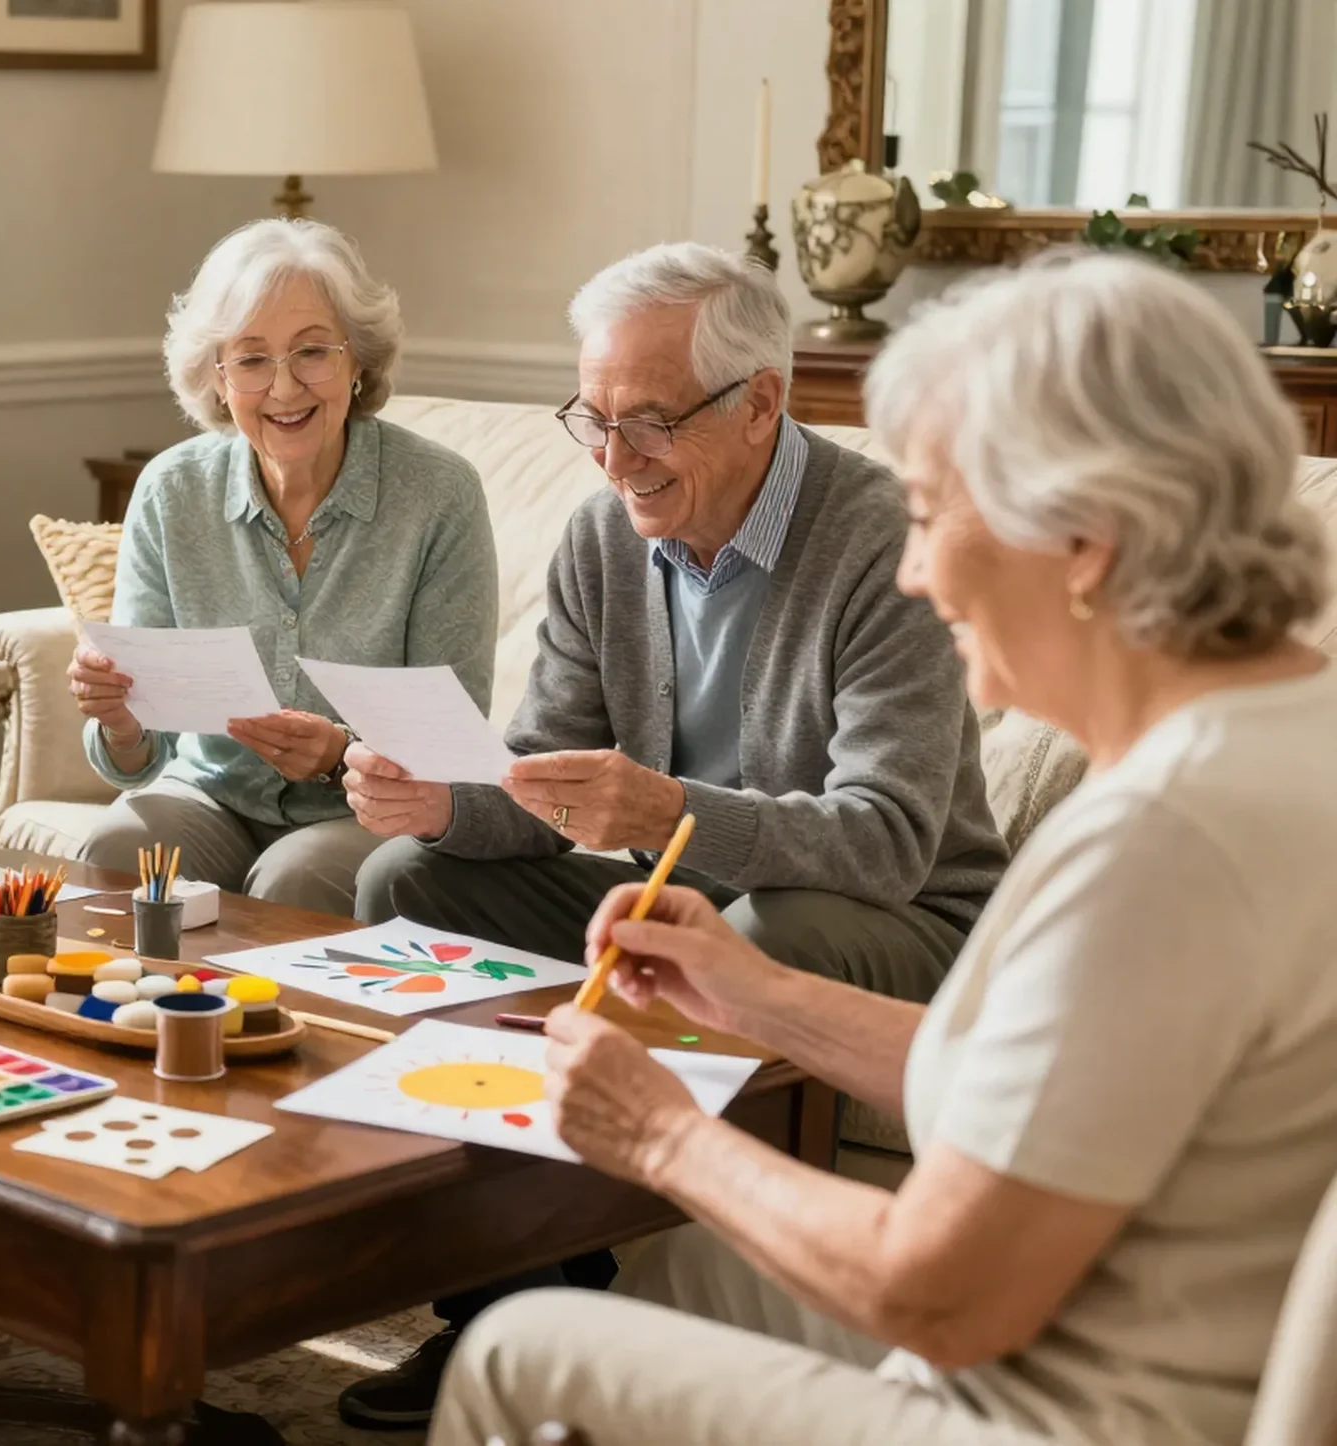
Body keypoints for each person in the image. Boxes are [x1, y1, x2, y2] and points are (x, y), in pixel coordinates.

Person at [432, 254, 1337, 1446]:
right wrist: (760, 997)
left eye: (925, 512)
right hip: (1126, 1334)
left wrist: (658, 1134)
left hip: (1065, 1410)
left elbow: (935, 1296)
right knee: (683, 1280)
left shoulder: (1157, 843)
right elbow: (1038, 1084)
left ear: (1082, 535)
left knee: (516, 1353)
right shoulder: (1286, 739)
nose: (911, 569)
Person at [335, 241, 1011, 1429]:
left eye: (647, 421)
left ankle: (680, 1301)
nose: (612, 459)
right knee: (408, 879)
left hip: (893, 924)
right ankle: (506, 1303)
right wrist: (445, 800)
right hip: (665, 896)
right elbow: (545, 773)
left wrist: (669, 815)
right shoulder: (607, 537)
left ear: (762, 403)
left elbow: (889, 840)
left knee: (757, 929)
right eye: (590, 420)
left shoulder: (877, 539)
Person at [68, 218, 497, 916]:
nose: (284, 388)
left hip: (360, 810)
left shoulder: (440, 494)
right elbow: (140, 758)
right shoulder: (172, 490)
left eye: (312, 352)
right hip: (207, 793)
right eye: (252, 358)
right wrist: (118, 717)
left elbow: (451, 738)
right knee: (122, 848)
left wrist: (340, 756)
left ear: (358, 362)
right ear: (217, 375)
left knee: (297, 882)